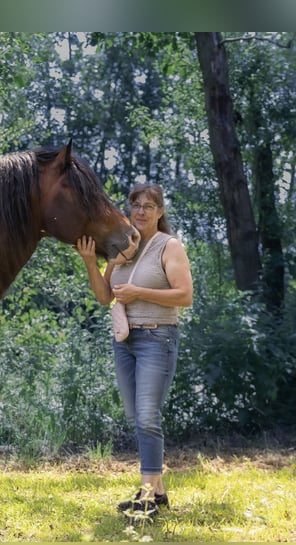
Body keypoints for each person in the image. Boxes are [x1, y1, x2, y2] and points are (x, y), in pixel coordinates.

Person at [75, 183, 193, 519]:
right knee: (136, 417)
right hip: (125, 341)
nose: (141, 211)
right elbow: (104, 296)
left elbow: (184, 295)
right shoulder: (121, 248)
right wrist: (89, 262)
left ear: (160, 211)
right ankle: (157, 492)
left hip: (158, 338)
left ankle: (145, 496)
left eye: (149, 206)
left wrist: (139, 292)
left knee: (146, 417)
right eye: (135, 205)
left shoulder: (168, 247)